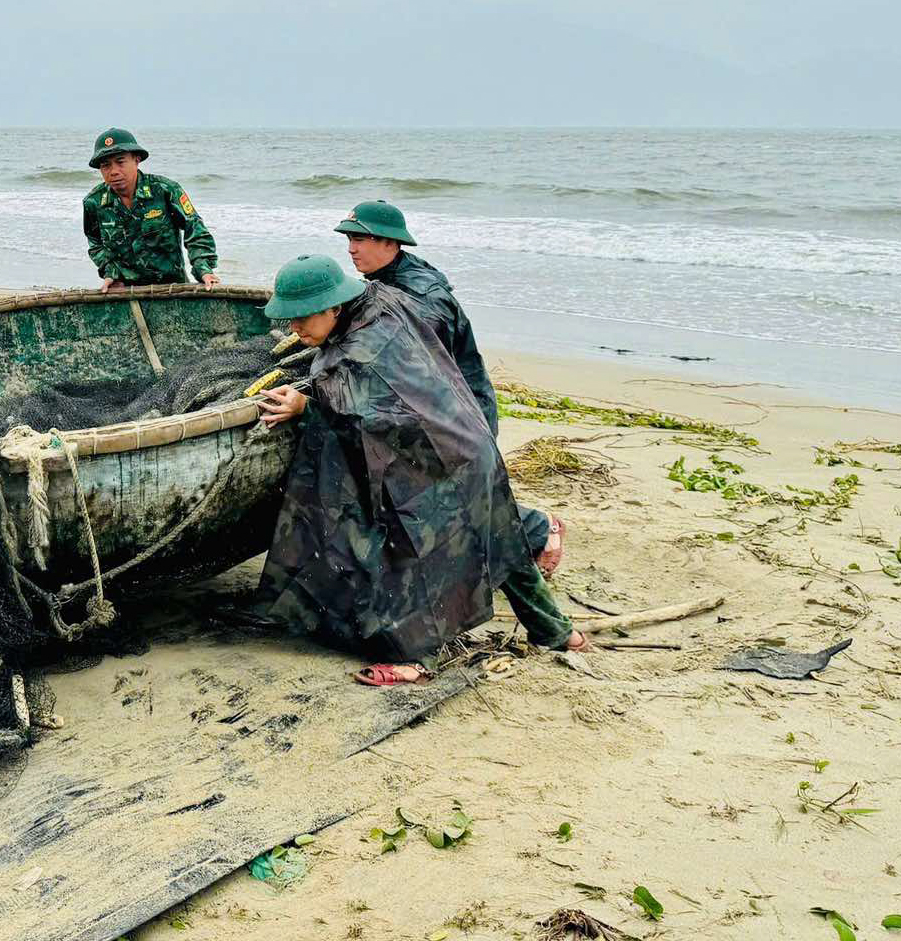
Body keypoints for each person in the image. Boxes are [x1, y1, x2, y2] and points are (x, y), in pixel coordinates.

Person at [253, 255, 588, 686]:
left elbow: (362, 415)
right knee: (499, 540)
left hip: (432, 460)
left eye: (303, 318)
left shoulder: (361, 353)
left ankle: (414, 658)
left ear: (335, 307)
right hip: (467, 438)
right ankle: (561, 635)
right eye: (290, 318)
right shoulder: (382, 299)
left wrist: (305, 406)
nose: (295, 328)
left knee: (410, 556)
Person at [337, 199, 567, 579]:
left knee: (449, 491)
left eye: (361, 238)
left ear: (392, 243)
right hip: (431, 406)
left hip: (458, 411)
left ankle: (541, 529)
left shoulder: (423, 299)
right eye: (349, 238)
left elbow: (412, 364)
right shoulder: (387, 280)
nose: (351, 248)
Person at [82, 127, 220, 290]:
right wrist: (111, 273)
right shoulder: (94, 203)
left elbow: (195, 228)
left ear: (136, 160)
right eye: (106, 166)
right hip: (125, 291)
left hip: (172, 288)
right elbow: (95, 243)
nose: (113, 172)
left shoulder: (164, 190)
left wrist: (203, 269)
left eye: (120, 162)